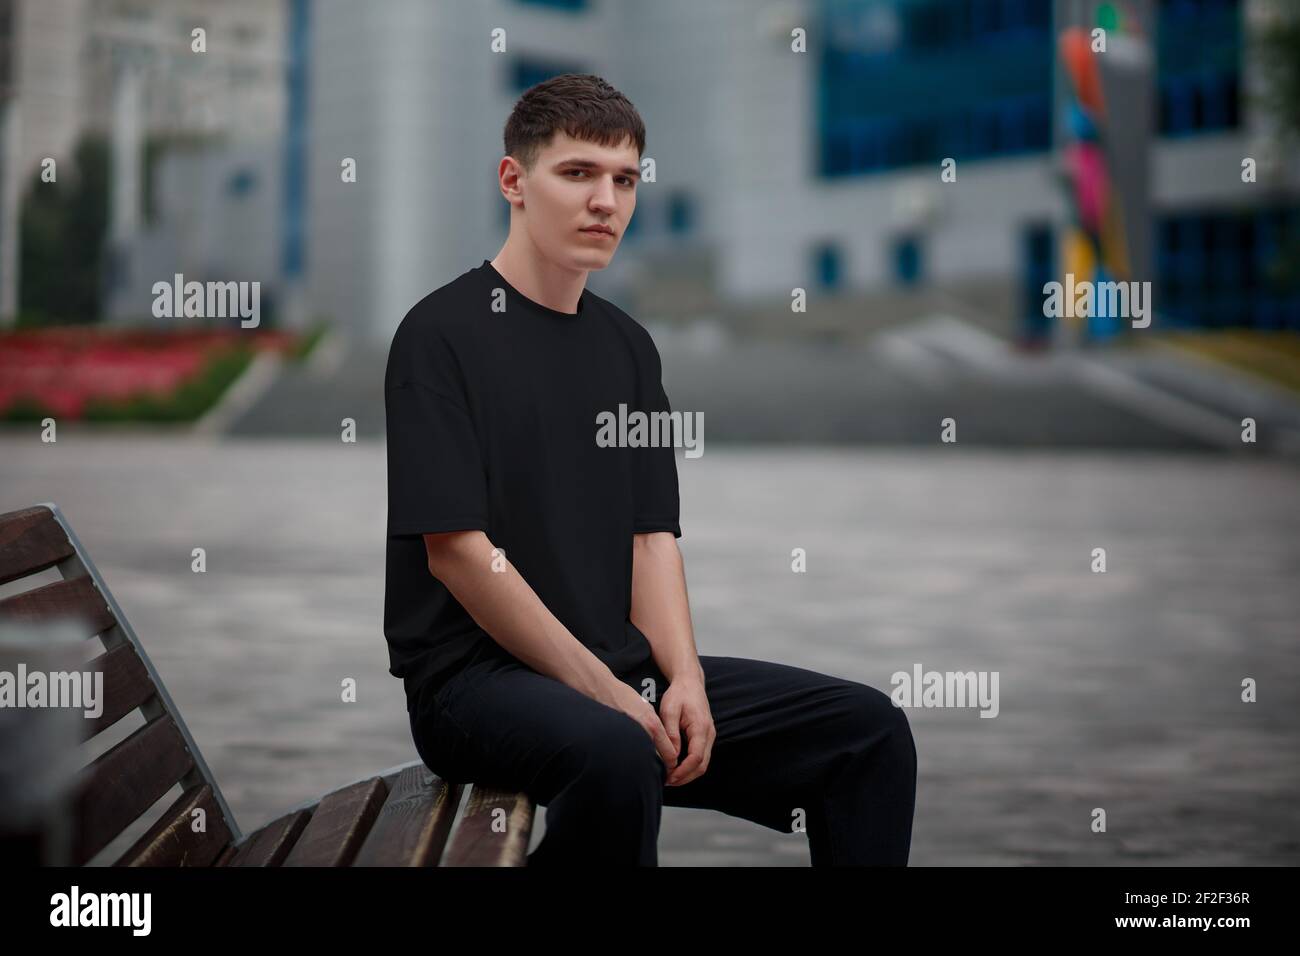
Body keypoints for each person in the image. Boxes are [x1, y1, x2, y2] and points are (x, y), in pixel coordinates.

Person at [383, 73, 916, 866]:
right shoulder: (440, 335)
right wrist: (609, 695)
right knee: (615, 751)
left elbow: (650, 539)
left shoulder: (627, 348)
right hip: (473, 684)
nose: (607, 201)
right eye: (578, 174)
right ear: (513, 182)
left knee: (866, 731)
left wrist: (686, 680)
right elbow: (457, 551)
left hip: (619, 670)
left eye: (625, 180)